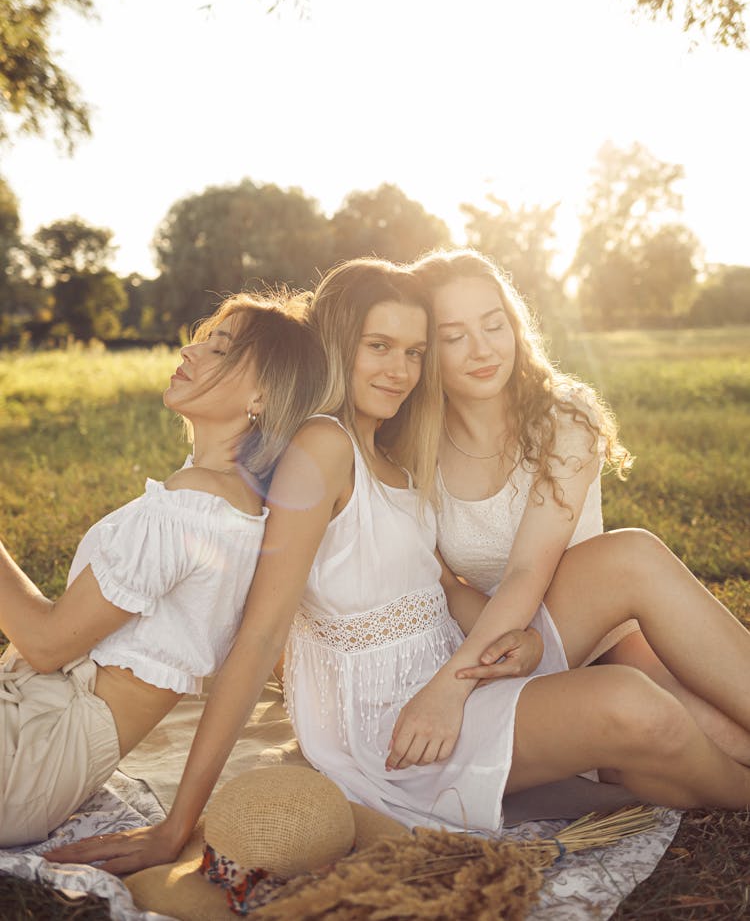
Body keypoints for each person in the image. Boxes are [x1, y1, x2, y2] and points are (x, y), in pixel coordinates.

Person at [49, 257, 750, 876]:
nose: (399, 369)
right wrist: (179, 821)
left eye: (413, 351)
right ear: (335, 347)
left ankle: (663, 762)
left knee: (633, 586)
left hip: (454, 667)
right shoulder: (323, 448)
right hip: (385, 721)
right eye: (378, 346)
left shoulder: (396, 449)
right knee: (636, 707)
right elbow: (259, 639)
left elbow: (442, 589)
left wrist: (526, 645)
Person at [396, 247, 750, 768]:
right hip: (498, 645)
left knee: (730, 740)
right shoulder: (411, 446)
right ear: (425, 349)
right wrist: (491, 656)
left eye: (494, 325)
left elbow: (525, 571)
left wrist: (451, 686)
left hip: (595, 629)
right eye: (454, 337)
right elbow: (446, 584)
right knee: (671, 744)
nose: (482, 349)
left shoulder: (564, 416)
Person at [0, 290, 325, 847]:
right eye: (201, 341)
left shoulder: (192, 508)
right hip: (41, 740)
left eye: (219, 350)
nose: (190, 353)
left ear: (262, 395)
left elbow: (48, 644)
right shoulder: (231, 502)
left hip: (32, 753)